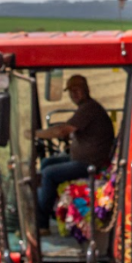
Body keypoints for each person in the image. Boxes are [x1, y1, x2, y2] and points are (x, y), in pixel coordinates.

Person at [33, 74, 116, 231]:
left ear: (86, 90)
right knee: (46, 163)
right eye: (71, 91)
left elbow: (63, 130)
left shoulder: (89, 108)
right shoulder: (85, 108)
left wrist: (36, 134)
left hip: (89, 163)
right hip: (80, 158)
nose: (74, 94)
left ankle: (42, 224)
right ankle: (47, 207)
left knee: (49, 174)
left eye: (77, 90)